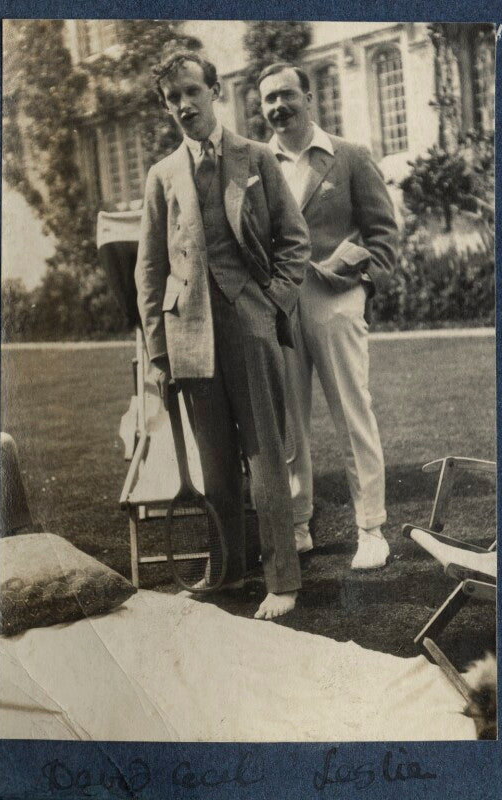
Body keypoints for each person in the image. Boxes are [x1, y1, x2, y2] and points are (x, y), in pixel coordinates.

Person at [135, 52, 311, 619]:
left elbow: (295, 239)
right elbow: (149, 272)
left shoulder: (255, 156)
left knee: (266, 458)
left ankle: (282, 581)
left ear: (215, 91)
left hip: (250, 326)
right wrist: (159, 353)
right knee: (215, 466)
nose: (184, 105)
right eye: (173, 98)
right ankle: (228, 572)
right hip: (188, 337)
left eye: (192, 91)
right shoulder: (162, 175)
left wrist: (272, 302)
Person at [258, 62, 399, 569]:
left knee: (353, 413)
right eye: (269, 99)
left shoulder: (349, 156)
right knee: (288, 421)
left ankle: (371, 529)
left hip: (335, 300)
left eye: (287, 95)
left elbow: (383, 234)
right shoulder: (258, 163)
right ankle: (298, 524)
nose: (279, 106)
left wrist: (362, 286)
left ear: (309, 97)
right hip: (280, 303)